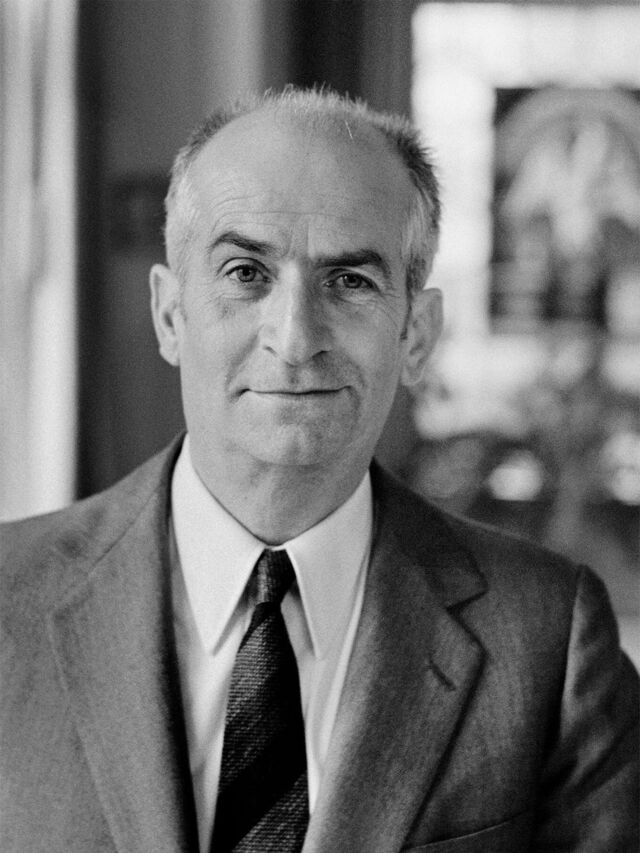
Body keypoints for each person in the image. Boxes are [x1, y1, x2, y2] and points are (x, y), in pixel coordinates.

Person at [1, 88, 637, 853]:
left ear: (416, 333)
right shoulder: (8, 598)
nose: (296, 338)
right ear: (170, 314)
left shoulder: (550, 641)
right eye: (245, 273)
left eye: (350, 281)